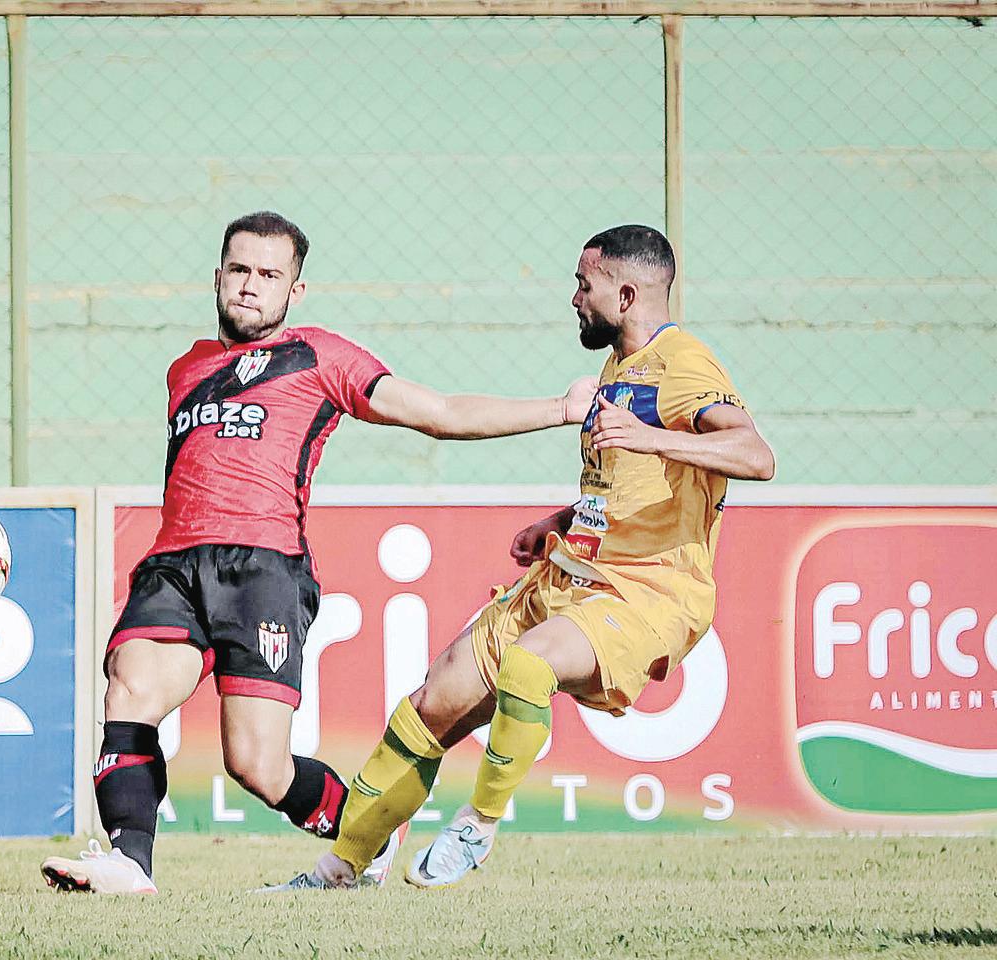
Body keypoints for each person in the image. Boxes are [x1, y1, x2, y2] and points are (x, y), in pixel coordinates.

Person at [40, 211, 597, 894]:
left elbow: (440, 412)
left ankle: (370, 826)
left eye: (269, 275)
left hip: (265, 571)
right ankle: (129, 862)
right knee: (129, 690)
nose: (250, 285)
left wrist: (560, 409)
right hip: (175, 565)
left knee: (256, 765)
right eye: (239, 270)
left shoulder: (320, 356)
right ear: (218, 278)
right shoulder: (184, 369)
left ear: (294, 292)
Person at [264, 223, 775, 892]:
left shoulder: (686, 365)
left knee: (531, 665)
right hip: (570, 574)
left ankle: (479, 822)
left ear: (624, 294)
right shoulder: (620, 363)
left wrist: (650, 438)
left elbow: (756, 455)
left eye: (582, 284)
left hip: (646, 595)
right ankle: (340, 869)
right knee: (425, 707)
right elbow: (635, 484)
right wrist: (562, 520)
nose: (573, 298)